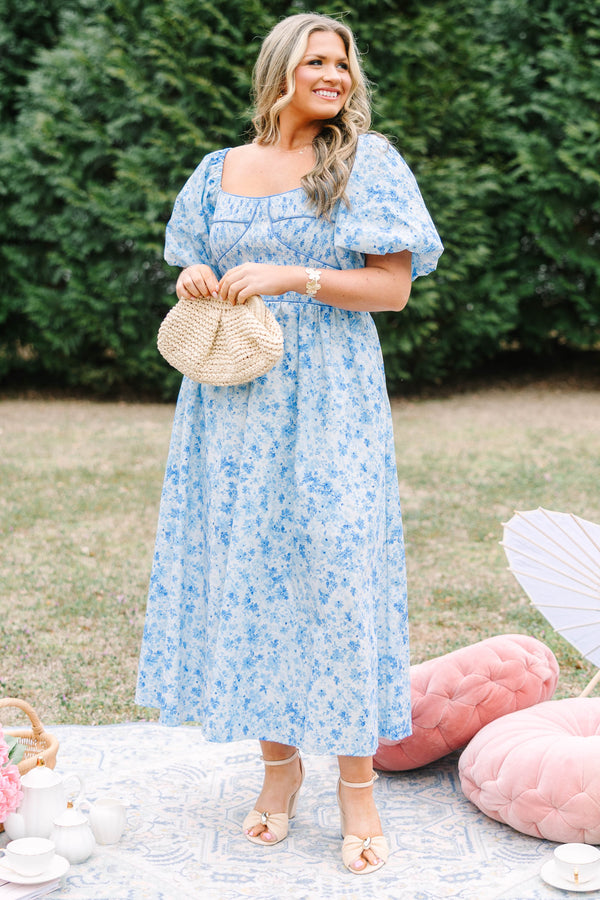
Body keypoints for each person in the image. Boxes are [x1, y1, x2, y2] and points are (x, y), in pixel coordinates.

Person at [136, 12, 443, 875]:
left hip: (332, 401)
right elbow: (191, 262)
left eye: (343, 63)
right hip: (233, 405)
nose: (335, 75)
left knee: (339, 575)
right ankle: (277, 774)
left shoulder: (366, 163)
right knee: (254, 574)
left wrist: (296, 276)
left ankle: (357, 789)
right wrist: (195, 276)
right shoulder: (216, 171)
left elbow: (392, 291)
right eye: (317, 60)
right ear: (280, 70)